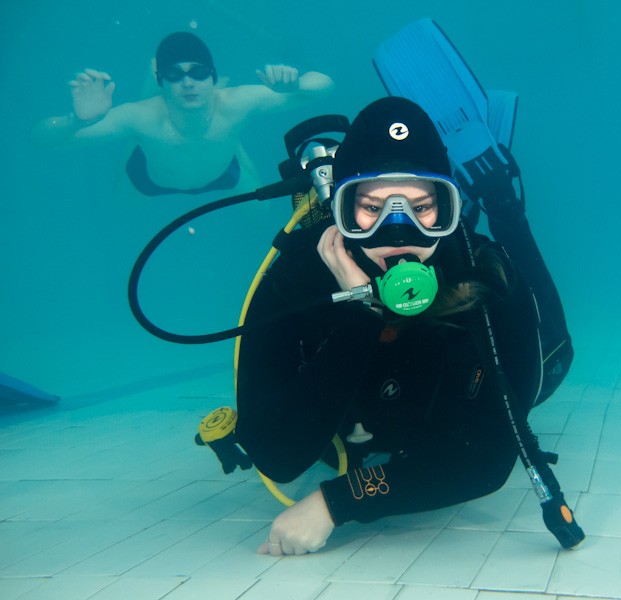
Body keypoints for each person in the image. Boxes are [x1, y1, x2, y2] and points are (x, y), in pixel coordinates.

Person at [234, 96, 574, 555]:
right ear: (342, 209)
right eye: (372, 208)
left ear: (447, 209)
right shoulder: (297, 277)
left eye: (422, 207)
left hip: (433, 414)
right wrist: (359, 312)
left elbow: (486, 460)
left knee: (556, 355)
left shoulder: (480, 271)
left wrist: (336, 502)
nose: (400, 231)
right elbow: (276, 455)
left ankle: (501, 202)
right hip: (357, 422)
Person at [32, 31, 334, 195]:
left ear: (212, 77)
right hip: (150, 179)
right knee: (121, 205)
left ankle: (233, 145)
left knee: (261, 212)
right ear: (162, 80)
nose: (188, 82)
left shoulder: (235, 102)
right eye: (174, 75)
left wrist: (292, 86)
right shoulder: (141, 116)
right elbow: (42, 139)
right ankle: (133, 139)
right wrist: (78, 121)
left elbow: (324, 85)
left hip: (221, 173)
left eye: (199, 72)